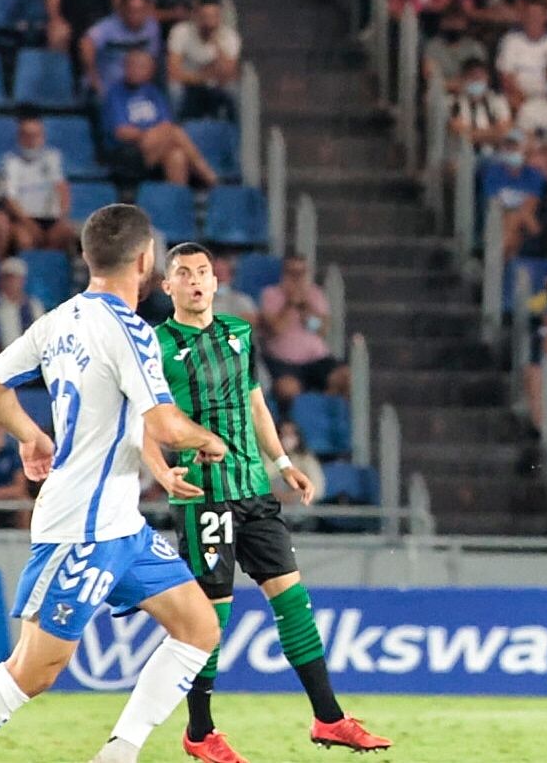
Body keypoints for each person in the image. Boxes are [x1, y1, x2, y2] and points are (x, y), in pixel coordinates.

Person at [0, 203, 227, 762]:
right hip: (82, 528)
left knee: (198, 628)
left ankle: (120, 752)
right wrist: (209, 440)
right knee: (34, 671)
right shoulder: (133, 333)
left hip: (123, 525)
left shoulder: (58, 319)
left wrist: (30, 436)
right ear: (147, 260)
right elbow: (165, 424)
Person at [154, 243, 388, 760]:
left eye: (203, 273)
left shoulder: (239, 334)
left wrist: (282, 464)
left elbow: (255, 400)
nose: (196, 281)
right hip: (203, 497)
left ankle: (328, 718)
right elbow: (143, 416)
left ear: (216, 283)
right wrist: (160, 468)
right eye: (184, 274)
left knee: (292, 601)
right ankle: (200, 732)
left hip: (254, 491)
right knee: (211, 619)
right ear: (167, 287)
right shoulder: (157, 345)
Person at [103, 49, 218, 188]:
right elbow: (122, 132)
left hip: (157, 148)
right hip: (128, 155)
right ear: (125, 67)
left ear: (151, 71)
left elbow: (165, 123)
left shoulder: (154, 92)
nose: (136, 70)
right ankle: (208, 176)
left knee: (177, 156)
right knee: (174, 132)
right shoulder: (115, 94)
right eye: (133, 65)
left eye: (142, 67)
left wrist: (157, 135)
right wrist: (151, 134)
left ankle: (176, 204)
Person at [260, 255, 350, 406]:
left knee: (345, 377)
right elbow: (276, 328)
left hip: (316, 360)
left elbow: (320, 329)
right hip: (284, 363)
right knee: (286, 389)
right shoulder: (270, 295)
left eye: (300, 273)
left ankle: (329, 410)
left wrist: (304, 306)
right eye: (292, 273)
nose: (296, 278)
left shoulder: (315, 295)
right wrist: (289, 304)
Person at [0, 111, 76, 253]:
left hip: (52, 219)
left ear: (43, 136)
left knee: (66, 233)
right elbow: (10, 199)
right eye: (27, 135)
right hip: (24, 220)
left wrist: (62, 217)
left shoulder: (53, 157)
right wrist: (30, 224)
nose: (32, 140)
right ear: (20, 137)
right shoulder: (10, 162)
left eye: (36, 135)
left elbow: (62, 188)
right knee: (24, 239)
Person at [166, 0, 241, 121]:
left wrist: (216, 43)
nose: (209, 21)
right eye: (205, 16)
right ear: (196, 16)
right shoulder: (181, 32)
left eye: (213, 16)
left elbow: (229, 75)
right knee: (174, 90)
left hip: (214, 84)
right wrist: (203, 77)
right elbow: (173, 72)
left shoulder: (229, 37)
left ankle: (236, 131)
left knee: (233, 90)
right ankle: (174, 128)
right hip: (187, 83)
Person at [478, 130, 546, 260]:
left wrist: (517, 214)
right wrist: (516, 215)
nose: (511, 150)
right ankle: (505, 262)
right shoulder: (493, 173)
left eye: (515, 146)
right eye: (508, 146)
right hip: (500, 222)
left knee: (514, 221)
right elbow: (494, 203)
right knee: (511, 225)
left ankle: (496, 264)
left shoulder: (534, 176)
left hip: (527, 226)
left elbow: (530, 206)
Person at [81, 0, 161, 96]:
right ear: (122, 10)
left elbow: (152, 58)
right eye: (132, 10)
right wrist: (94, 79)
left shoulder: (152, 27)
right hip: (107, 88)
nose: (136, 15)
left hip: (138, 86)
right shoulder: (107, 27)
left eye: (140, 10)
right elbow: (86, 43)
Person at [496, 0, 547, 107]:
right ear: (523, 16)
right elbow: (506, 77)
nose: (533, 18)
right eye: (530, 14)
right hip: (517, 96)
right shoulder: (510, 40)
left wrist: (544, 100)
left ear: (546, 17)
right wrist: (521, 98)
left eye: (538, 14)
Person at [446, 58, 514, 156]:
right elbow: (460, 135)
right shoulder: (452, 103)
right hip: (463, 157)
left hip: (494, 156)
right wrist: (493, 132)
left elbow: (505, 132)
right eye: (473, 77)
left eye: (480, 77)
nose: (477, 80)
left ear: (487, 78)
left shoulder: (497, 101)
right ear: (463, 79)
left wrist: (472, 133)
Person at [268, 420, 325, 506]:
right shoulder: (268, 459)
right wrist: (279, 495)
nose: (287, 438)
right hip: (274, 506)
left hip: (301, 509)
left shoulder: (307, 460)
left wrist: (294, 495)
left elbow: (318, 490)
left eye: (291, 434)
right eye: (284, 434)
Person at [0, 258, 46, 349]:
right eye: (7, 278)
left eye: (14, 278)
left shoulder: (34, 305)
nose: (10, 283)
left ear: (23, 280)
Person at [0, 424, 30, 530]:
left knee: (24, 500)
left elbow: (20, 487)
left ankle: (25, 540)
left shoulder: (12, 452)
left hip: (5, 495)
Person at [210, 254, 257, 325]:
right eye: (214, 273)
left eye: (221, 274)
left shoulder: (242, 301)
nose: (217, 279)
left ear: (231, 276)